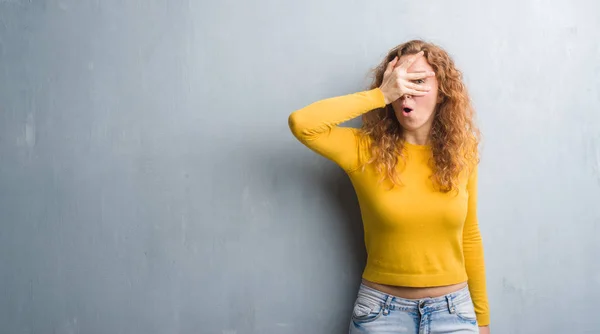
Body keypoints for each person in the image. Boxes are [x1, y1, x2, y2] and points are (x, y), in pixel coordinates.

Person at [288, 40, 490, 334]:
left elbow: (470, 236)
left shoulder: (462, 152)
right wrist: (380, 94)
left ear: (442, 91)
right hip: (381, 315)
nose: (406, 91)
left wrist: (482, 320)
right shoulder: (364, 150)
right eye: (399, 82)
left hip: (454, 314)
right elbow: (301, 123)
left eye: (418, 80)